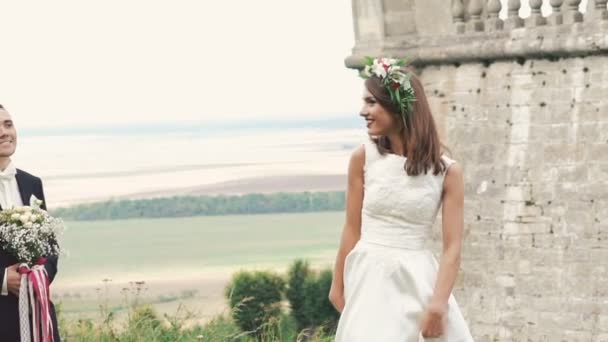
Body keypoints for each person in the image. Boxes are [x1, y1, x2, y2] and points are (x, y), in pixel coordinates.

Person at [329, 58, 473, 341]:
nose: (363, 111)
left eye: (372, 102)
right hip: (369, 279)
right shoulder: (362, 158)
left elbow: (453, 247)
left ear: (398, 105)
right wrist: (337, 284)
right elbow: (352, 229)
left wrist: (439, 303)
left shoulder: (447, 172)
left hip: (416, 282)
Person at [0, 104, 61, 341]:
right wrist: (3, 280)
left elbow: (50, 246)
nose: (5, 132)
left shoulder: (32, 183)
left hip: (37, 314)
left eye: (8, 124)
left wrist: (40, 275)